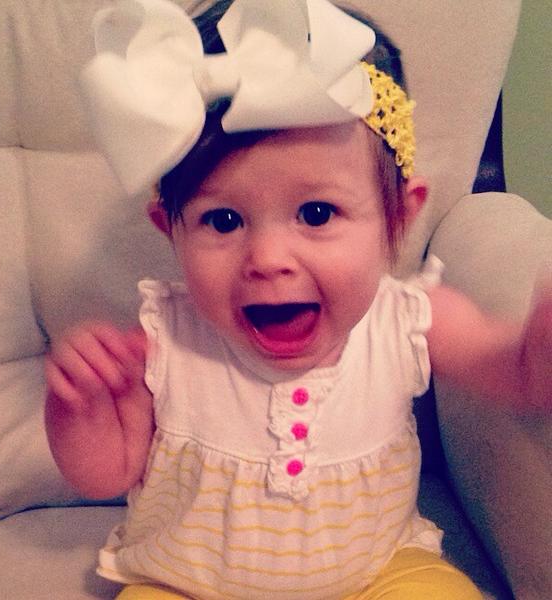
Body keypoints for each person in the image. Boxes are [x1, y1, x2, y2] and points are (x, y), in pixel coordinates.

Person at [45, 1, 552, 598]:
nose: (267, 258)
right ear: (170, 230)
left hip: (374, 573)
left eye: (316, 213)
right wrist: (79, 411)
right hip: (186, 583)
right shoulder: (164, 339)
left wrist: (537, 345)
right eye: (223, 220)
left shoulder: (410, 319)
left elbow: (516, 374)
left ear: (397, 217)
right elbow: (106, 473)